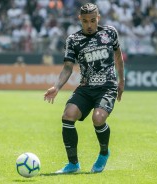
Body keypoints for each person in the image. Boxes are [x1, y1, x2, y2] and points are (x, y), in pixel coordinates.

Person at [44, 3, 125, 174]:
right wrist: (57, 87)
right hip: (86, 88)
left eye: (93, 20)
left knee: (98, 118)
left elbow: (118, 57)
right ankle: (73, 164)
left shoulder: (110, 33)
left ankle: (104, 153)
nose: (89, 25)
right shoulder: (73, 40)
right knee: (67, 115)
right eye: (86, 21)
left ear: (98, 19)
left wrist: (121, 81)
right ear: (80, 19)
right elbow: (67, 67)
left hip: (107, 87)